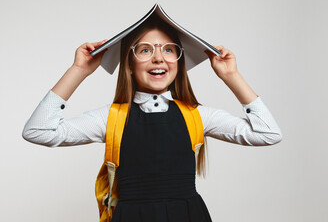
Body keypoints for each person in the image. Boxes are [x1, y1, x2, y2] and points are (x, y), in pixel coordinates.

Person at [22, 18, 282, 221]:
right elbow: (38, 131)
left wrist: (231, 76)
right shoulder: (111, 118)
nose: (158, 57)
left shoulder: (197, 115)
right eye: (145, 50)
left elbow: (268, 133)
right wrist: (78, 71)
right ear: (129, 65)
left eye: (169, 50)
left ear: (178, 62)